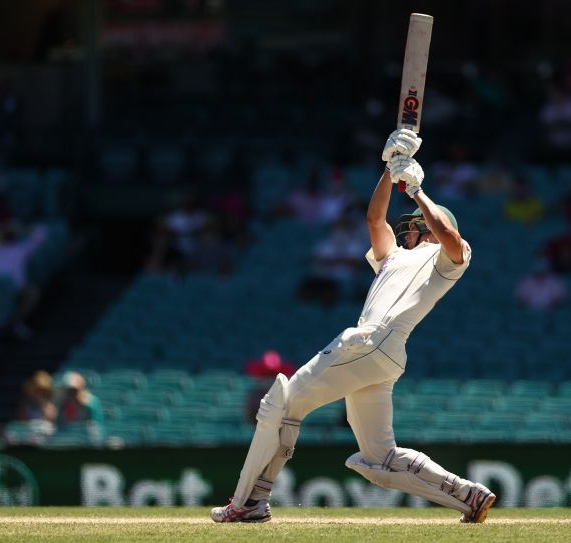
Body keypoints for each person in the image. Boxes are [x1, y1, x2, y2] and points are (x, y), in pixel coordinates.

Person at [210, 129, 496, 524]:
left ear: (424, 225)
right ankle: (469, 495)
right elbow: (374, 217)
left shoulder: (449, 258)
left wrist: (415, 190)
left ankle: (249, 503)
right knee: (380, 459)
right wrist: (390, 168)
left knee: (281, 404)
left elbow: (447, 234)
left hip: (370, 341)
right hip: (383, 357)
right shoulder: (392, 258)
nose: (404, 231)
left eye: (411, 226)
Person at [56, 371, 105, 441]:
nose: (71, 394)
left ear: (81, 388)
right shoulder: (61, 404)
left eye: (73, 390)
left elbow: (99, 428)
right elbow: (59, 426)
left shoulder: (91, 403)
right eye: (68, 391)